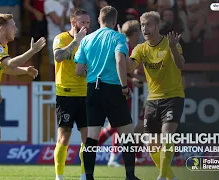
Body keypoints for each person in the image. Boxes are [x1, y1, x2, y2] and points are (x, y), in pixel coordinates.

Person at [0, 13, 45, 180]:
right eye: (12, 26)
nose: (15, 28)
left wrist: (25, 70)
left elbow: (6, 68)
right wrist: (32, 51)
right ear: (2, 28)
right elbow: (10, 63)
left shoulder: (0, 47)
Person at [75, 6, 139, 180]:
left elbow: (79, 70)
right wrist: (125, 86)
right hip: (113, 89)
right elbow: (120, 61)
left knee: (92, 137)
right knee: (127, 134)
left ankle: (88, 176)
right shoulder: (118, 37)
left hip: (92, 90)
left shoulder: (87, 39)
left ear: (99, 20)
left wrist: (93, 70)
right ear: (114, 22)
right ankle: (130, 176)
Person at [130, 11, 185, 180]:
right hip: (152, 100)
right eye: (142, 25)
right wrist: (120, 47)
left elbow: (180, 64)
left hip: (173, 96)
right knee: (151, 144)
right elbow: (128, 67)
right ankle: (170, 177)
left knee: (167, 134)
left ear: (157, 26)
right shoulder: (140, 48)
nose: (144, 28)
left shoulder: (170, 43)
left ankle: (161, 176)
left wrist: (174, 48)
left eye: (147, 24)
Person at [97, 20, 145, 167]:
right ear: (135, 32)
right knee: (118, 124)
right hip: (119, 90)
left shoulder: (130, 47)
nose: (142, 33)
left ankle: (115, 157)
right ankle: (91, 149)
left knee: (120, 125)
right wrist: (132, 79)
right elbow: (118, 68)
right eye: (139, 30)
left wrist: (134, 77)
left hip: (124, 90)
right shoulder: (124, 45)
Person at [52, 8, 89, 180]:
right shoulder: (61, 38)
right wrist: (76, 42)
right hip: (65, 95)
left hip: (85, 94)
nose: (86, 26)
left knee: (87, 138)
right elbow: (59, 57)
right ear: (74, 22)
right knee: (64, 137)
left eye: (88, 23)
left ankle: (84, 175)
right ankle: (59, 176)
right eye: (83, 22)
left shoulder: (89, 42)